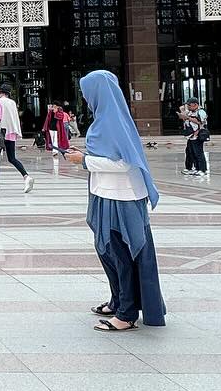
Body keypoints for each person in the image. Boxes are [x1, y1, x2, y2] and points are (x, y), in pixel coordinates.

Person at [68, 68, 165, 332]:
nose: (86, 98)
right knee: (107, 250)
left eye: (88, 92)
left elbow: (124, 164)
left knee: (120, 251)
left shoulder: (112, 122)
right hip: (105, 193)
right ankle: (117, 299)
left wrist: (84, 160)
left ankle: (126, 314)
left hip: (121, 197)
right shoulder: (105, 119)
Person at [0, 87, 32, 190]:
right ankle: (26, 176)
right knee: (12, 158)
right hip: (11, 133)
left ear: (0, 92)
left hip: (1, 134)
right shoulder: (12, 103)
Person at [181, 100, 210, 176]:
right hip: (191, 135)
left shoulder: (201, 112)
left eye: (190, 105)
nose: (189, 107)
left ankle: (202, 169)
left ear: (195, 104)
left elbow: (201, 122)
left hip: (197, 135)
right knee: (191, 152)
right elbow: (186, 119)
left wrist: (188, 118)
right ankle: (196, 168)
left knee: (198, 153)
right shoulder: (190, 112)